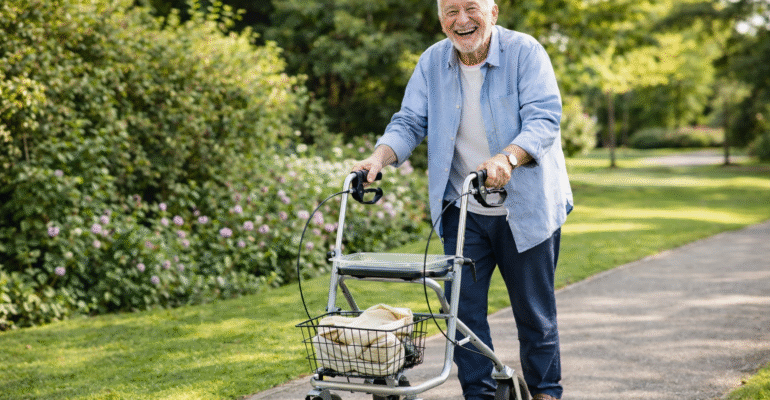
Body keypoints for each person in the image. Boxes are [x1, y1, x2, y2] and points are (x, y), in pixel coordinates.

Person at [351, 0, 572, 398]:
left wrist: (509, 156)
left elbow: (544, 118)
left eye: (472, 8)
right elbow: (410, 120)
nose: (462, 20)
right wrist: (379, 157)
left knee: (534, 315)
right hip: (463, 208)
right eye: (451, 11)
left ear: (494, 13)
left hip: (526, 207)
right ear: (441, 20)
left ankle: (546, 393)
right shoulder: (432, 62)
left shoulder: (526, 53)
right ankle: (480, 394)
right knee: (462, 315)